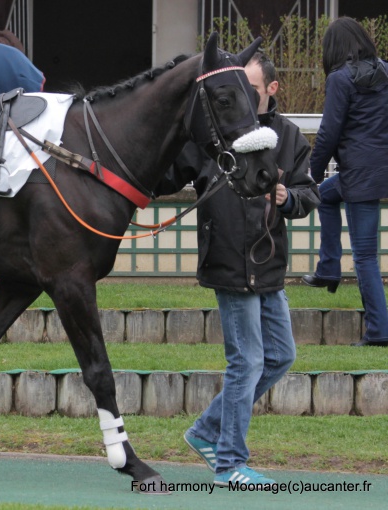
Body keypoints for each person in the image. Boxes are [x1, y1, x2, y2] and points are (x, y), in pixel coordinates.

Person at [155, 51, 320, 487]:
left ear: (271, 89)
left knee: (280, 357)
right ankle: (229, 462)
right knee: (245, 362)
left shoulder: (287, 136)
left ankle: (207, 431)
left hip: (268, 266)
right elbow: (168, 175)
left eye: (249, 89)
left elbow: (308, 193)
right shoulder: (213, 132)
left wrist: (289, 199)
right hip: (228, 260)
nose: (241, 97)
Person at [301, 17, 388, 347]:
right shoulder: (386, 72)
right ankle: (329, 267)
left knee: (365, 255)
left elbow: (328, 132)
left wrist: (310, 172)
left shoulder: (340, 79)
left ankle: (379, 331)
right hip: (378, 170)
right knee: (325, 196)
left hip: (359, 175)